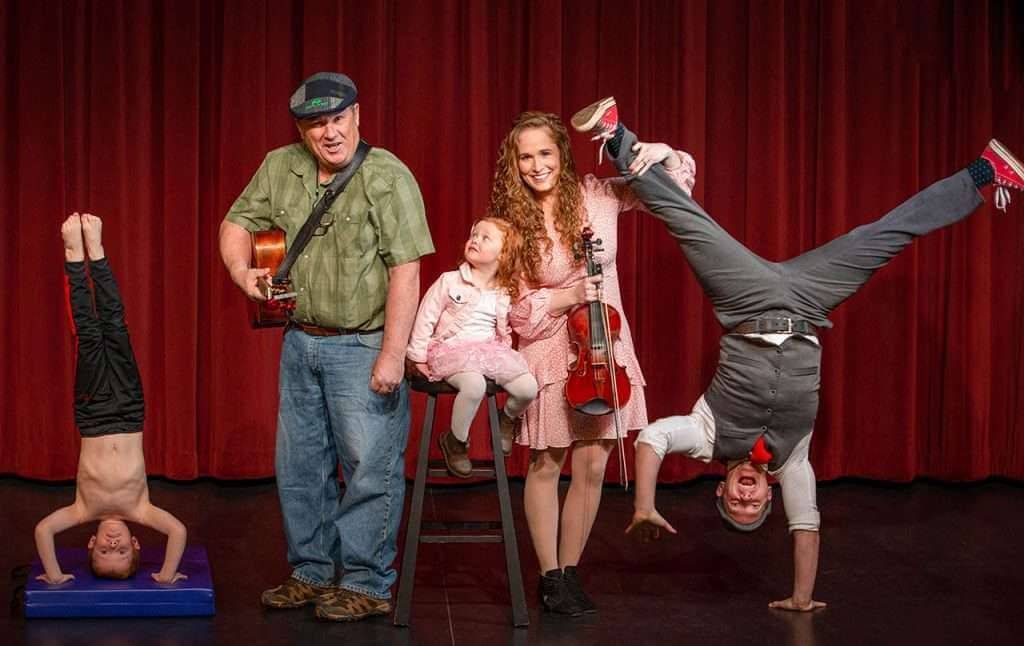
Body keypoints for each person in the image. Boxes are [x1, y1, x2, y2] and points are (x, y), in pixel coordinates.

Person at [569, 96, 1024, 612]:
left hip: (745, 300)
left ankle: (616, 134)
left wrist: (645, 505)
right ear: (771, 497)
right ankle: (985, 171)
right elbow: (806, 526)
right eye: (753, 506)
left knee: (687, 221)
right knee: (885, 235)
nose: (745, 497)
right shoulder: (793, 463)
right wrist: (802, 599)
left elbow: (652, 439)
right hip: (809, 303)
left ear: (721, 492)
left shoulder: (705, 438)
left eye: (736, 504)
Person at [219, 72, 434, 622]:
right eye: (317, 124)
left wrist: (393, 354)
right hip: (300, 342)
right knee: (300, 466)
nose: (330, 132)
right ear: (302, 129)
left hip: (363, 344)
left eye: (338, 119)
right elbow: (236, 222)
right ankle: (311, 572)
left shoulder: (388, 175)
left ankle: (367, 582)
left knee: (369, 467)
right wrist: (242, 272)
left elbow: (406, 271)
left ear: (357, 115)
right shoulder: (279, 166)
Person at [486, 111, 695, 616]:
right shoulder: (510, 222)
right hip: (548, 346)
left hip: (603, 343)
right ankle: (549, 576)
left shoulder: (599, 195)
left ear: (562, 152)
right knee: (547, 462)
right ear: (514, 163)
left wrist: (662, 153)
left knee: (595, 463)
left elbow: (675, 193)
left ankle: (571, 571)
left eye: (545, 153)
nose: (537, 165)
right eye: (526, 157)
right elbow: (515, 309)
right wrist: (568, 296)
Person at [34, 213, 187, 585]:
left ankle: (75, 256)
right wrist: (166, 574)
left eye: (104, 551)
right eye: (122, 551)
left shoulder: (82, 510)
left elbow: (43, 530)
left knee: (88, 334)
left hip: (94, 414)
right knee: (116, 328)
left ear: (91, 543)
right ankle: (97, 252)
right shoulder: (142, 510)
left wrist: (54, 575)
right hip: (130, 411)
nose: (113, 544)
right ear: (136, 543)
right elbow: (178, 531)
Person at [406, 217, 539, 477]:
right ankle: (456, 441)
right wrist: (418, 356)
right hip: (451, 352)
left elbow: (505, 327)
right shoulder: (450, 281)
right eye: (474, 235)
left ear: (503, 254)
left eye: (485, 238)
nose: (475, 240)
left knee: (528, 388)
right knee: (474, 385)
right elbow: (425, 318)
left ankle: (507, 417)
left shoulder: (504, 291)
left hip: (488, 351)